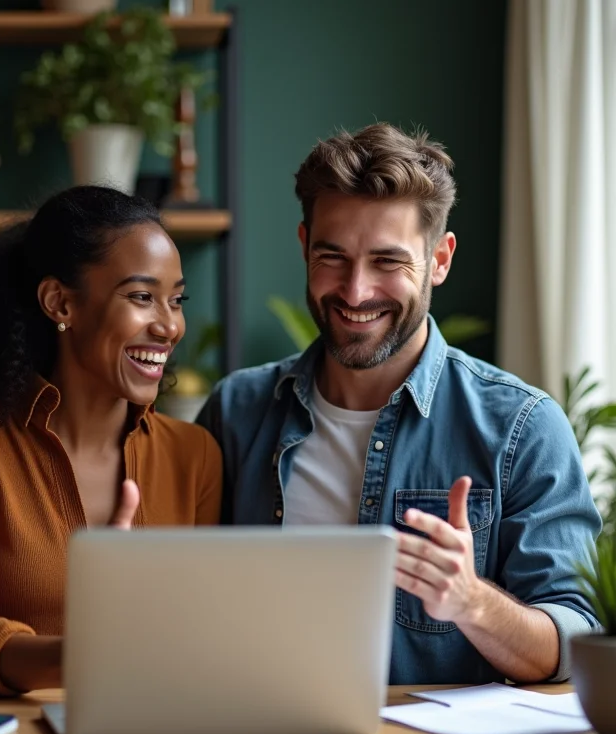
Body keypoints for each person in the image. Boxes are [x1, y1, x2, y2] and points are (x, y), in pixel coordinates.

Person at [196, 123, 602, 685]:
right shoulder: (236, 412)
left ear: (439, 259)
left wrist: (471, 603)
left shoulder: (523, 427)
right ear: (304, 246)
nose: (356, 290)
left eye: (389, 262)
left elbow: (574, 641)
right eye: (332, 256)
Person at [0, 185, 221, 696]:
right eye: (141, 297)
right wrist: (81, 656)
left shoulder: (195, 455)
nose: (169, 325)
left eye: (176, 300)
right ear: (59, 302)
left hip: (151, 731)